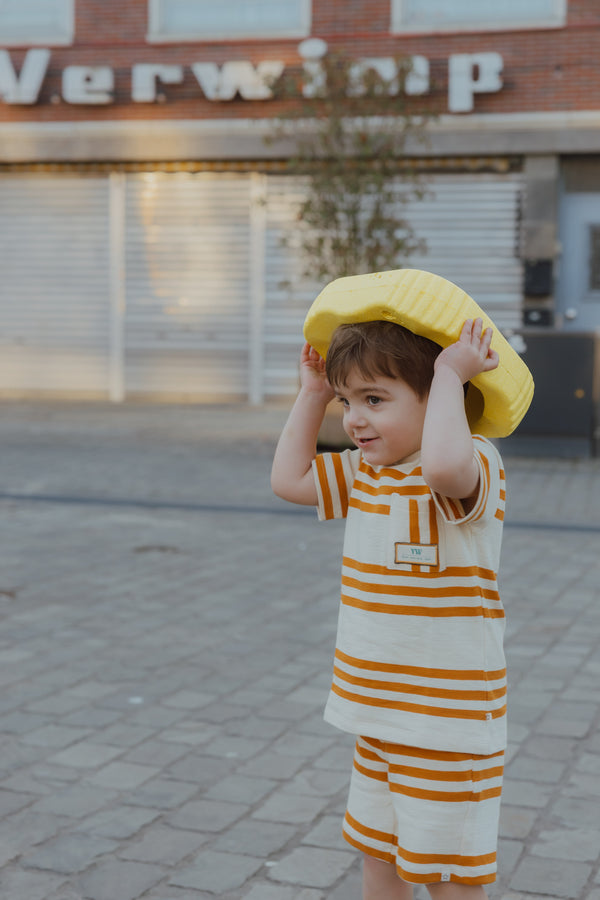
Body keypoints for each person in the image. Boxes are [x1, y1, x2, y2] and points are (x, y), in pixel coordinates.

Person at [271, 312, 508, 900]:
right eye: (349, 401)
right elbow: (289, 479)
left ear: (443, 399)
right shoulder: (366, 471)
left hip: (443, 724)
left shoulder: (473, 464)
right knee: (379, 857)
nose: (354, 419)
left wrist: (452, 373)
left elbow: (444, 467)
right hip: (377, 714)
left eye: (374, 399)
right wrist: (312, 395)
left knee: (443, 873)